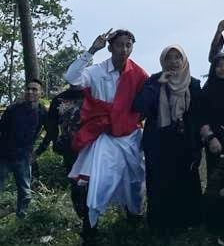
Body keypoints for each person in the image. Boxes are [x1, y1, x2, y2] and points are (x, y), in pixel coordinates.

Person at [65, 29, 149, 239]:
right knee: (92, 181)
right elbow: (72, 78)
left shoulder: (138, 74)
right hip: (103, 134)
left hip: (129, 135)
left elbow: (149, 99)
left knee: (135, 180)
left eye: (128, 45)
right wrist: (92, 49)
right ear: (110, 47)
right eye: (120, 45)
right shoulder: (97, 71)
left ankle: (133, 218)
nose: (124, 49)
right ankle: (90, 227)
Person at [132, 44, 203, 236]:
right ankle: (160, 225)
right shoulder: (154, 81)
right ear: (163, 61)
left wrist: (197, 147)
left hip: (184, 140)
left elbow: (197, 118)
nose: (173, 62)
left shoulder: (193, 84)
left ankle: (185, 223)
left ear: (184, 60)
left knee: (184, 180)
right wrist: (158, 84)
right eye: (169, 58)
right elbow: (140, 106)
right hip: (158, 142)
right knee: (159, 182)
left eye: (177, 57)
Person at [34, 83, 86, 218]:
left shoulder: (91, 95)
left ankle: (92, 219)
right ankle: (83, 216)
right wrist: (54, 141)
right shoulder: (59, 99)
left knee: (92, 183)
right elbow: (51, 125)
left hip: (91, 148)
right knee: (76, 183)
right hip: (70, 148)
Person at [0, 78, 47, 218]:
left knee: (25, 192)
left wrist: (39, 152)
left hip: (24, 157)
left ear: (41, 93)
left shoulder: (42, 112)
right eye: (28, 89)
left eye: (34, 89)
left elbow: (51, 132)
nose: (30, 91)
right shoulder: (13, 109)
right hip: (4, 156)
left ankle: (22, 218)